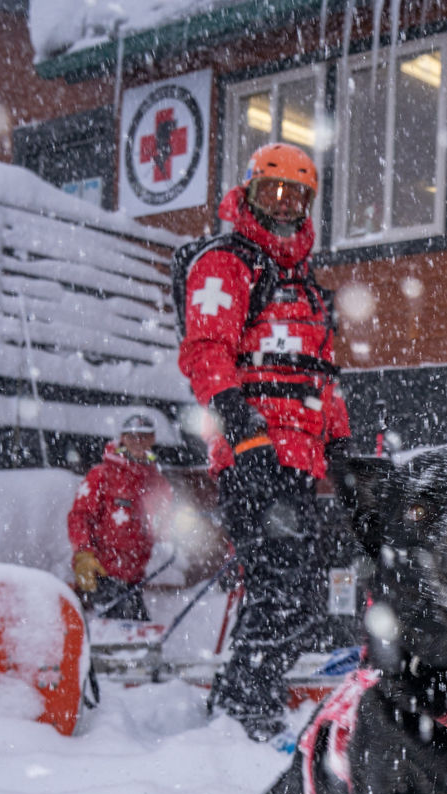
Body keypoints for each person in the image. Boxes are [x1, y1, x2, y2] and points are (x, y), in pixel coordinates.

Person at [178, 142, 351, 740]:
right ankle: (248, 708)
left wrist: (342, 448)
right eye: (271, 191)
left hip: (300, 461)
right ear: (249, 192)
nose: (282, 205)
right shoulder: (227, 263)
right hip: (254, 455)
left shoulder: (306, 290)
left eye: (295, 195)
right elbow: (206, 352)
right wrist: (241, 429)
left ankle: (238, 699)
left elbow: (323, 380)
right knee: (285, 585)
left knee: (298, 589)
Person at [67, 413, 173, 621]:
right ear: (122, 438)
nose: (138, 442)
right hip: (102, 574)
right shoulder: (102, 474)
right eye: (132, 436)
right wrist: (83, 554)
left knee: (139, 637)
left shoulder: (158, 482)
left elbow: (162, 526)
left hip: (134, 578)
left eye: (144, 436)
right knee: (120, 637)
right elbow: (80, 517)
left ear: (153, 439)